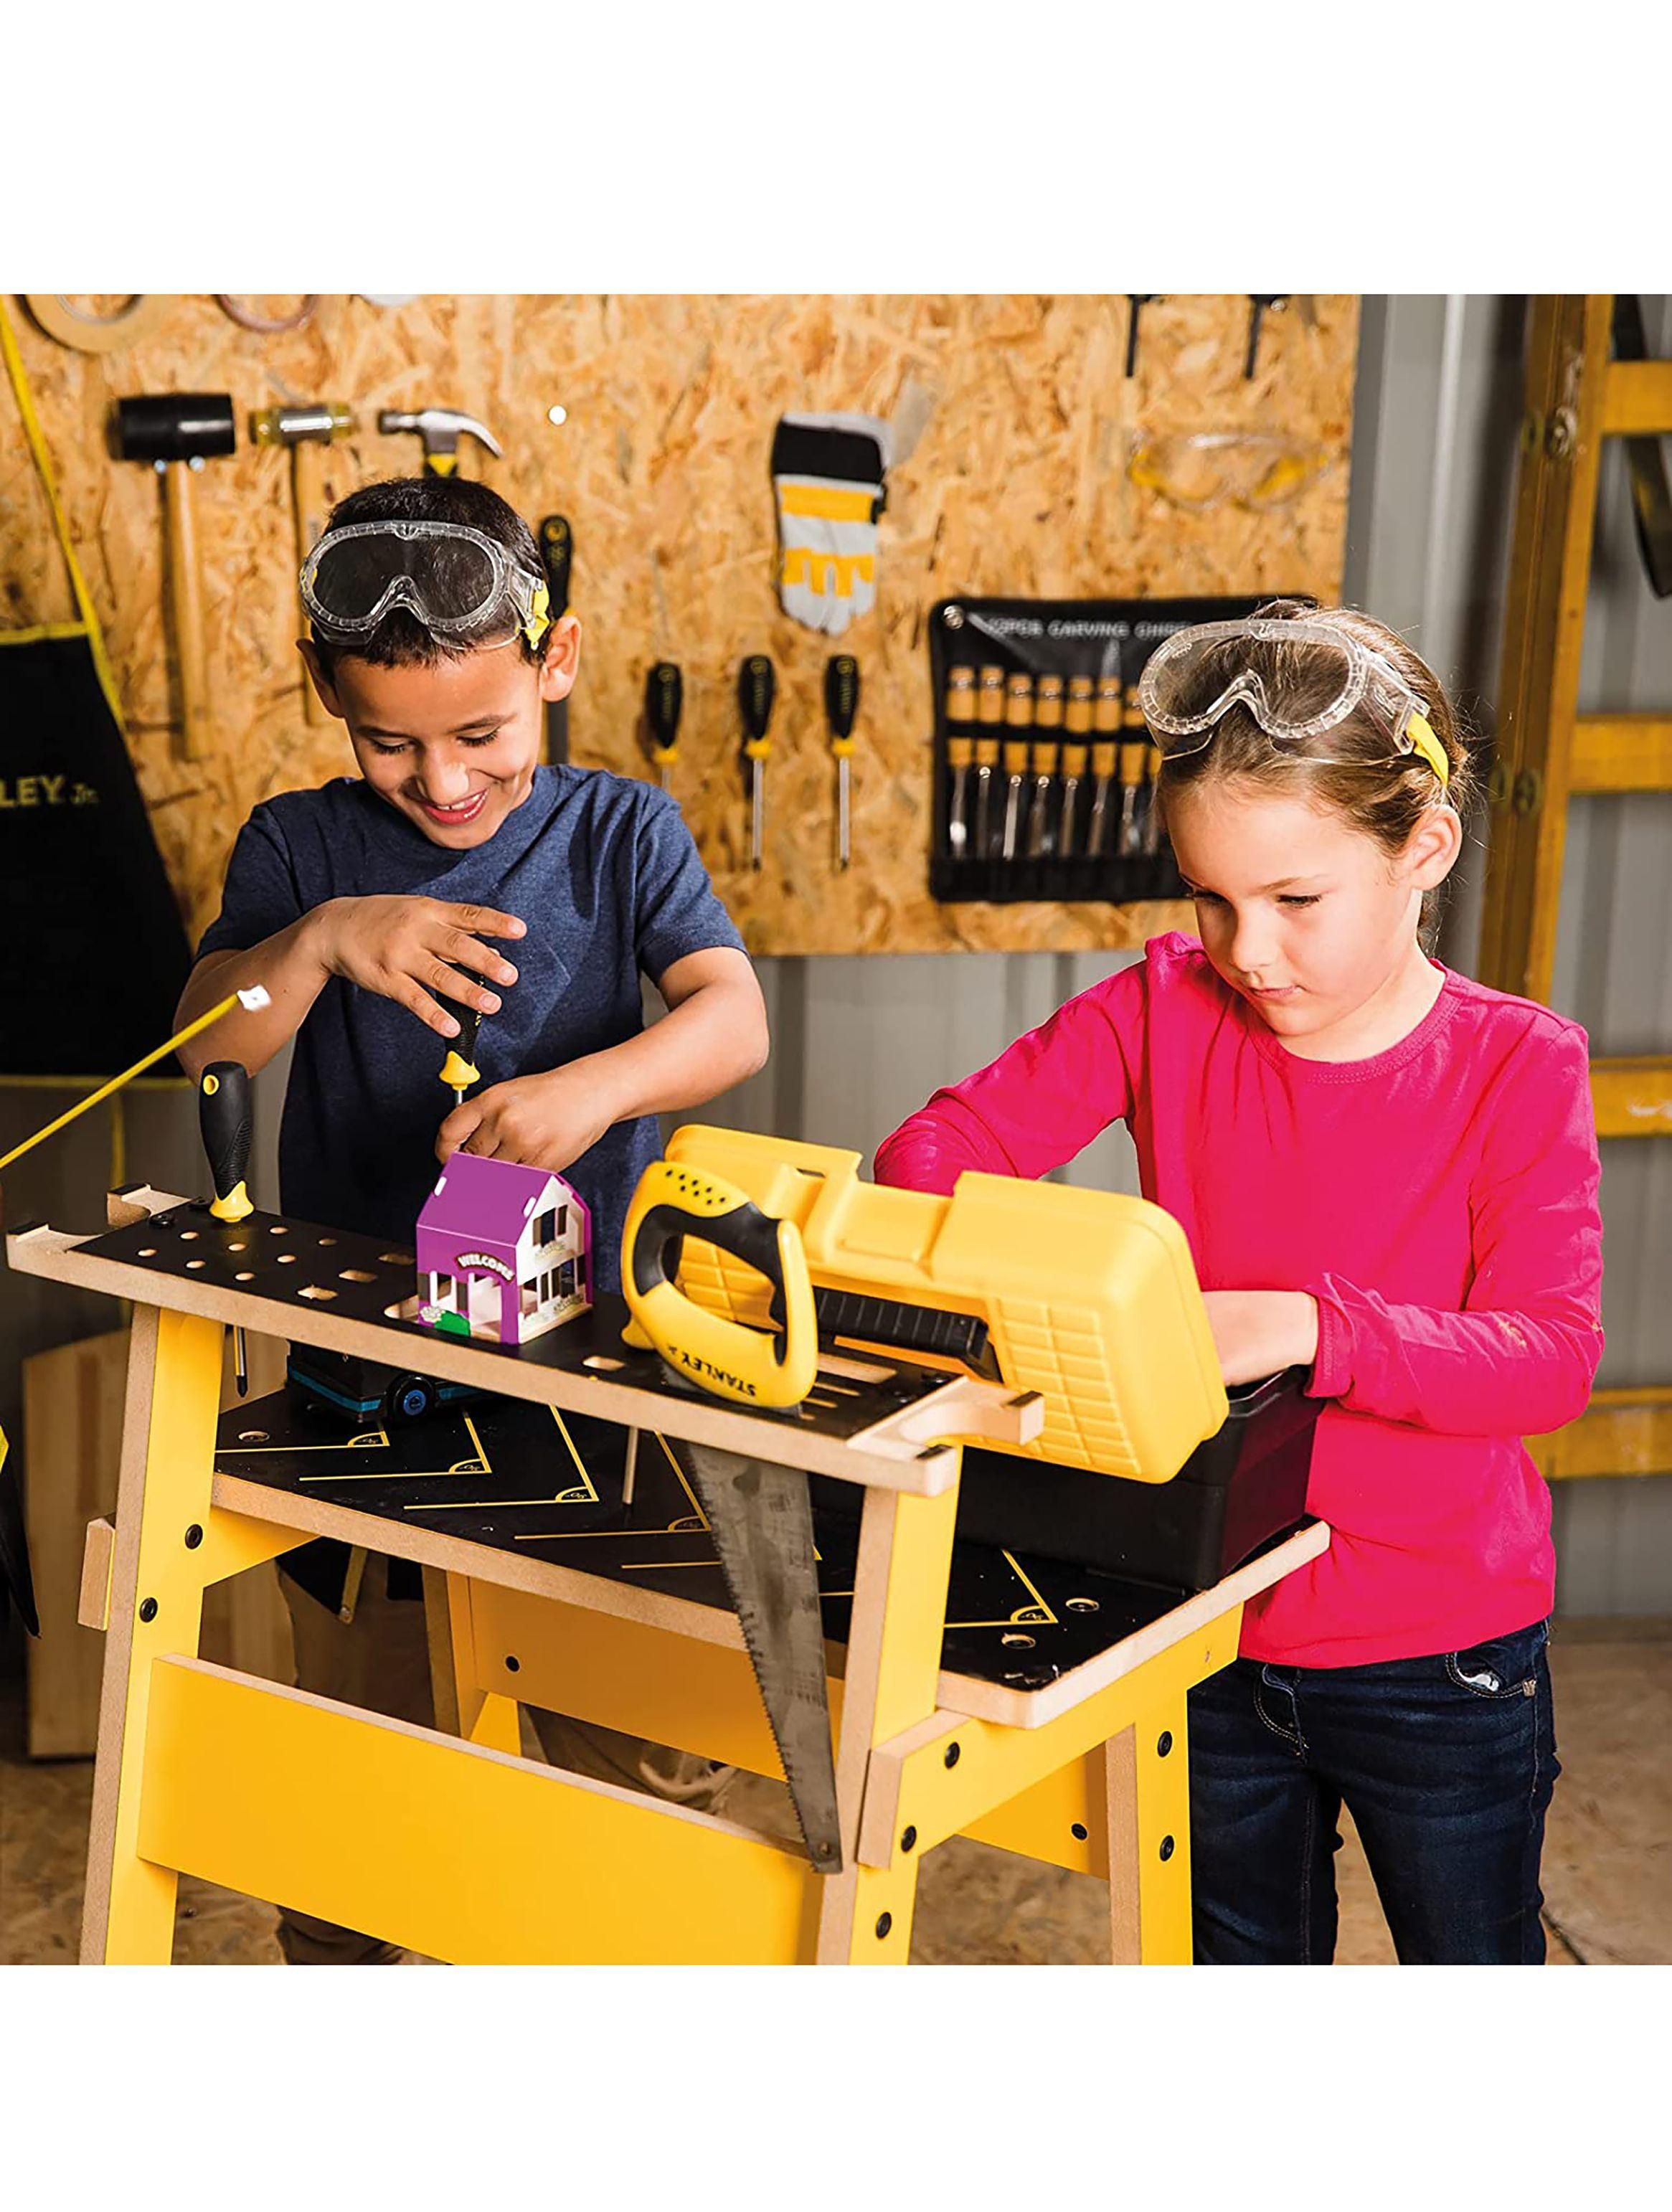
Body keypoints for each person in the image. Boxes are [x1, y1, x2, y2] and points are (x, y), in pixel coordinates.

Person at [873, 601, 1604, 1965]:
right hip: (1201, 1625)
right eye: (1210, 896)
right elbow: (933, 1152)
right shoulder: (1164, 1002)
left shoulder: (1518, 1065)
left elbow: (1550, 1358)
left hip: (1443, 1657)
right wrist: (1073, 1287)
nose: (1248, 948)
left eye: (1294, 900)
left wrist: (1309, 1327)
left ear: (1425, 848)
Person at [176, 477, 770, 1962]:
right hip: (359, 1391)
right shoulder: (299, 849)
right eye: (391, 742)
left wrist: (592, 1092)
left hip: (597, 1391)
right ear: (329, 693)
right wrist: (319, 941)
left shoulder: (620, 833)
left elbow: (733, 1017)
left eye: (481, 735)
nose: (441, 782)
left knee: (638, 1774)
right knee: (365, 1791)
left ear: (553, 662)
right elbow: (205, 1043)